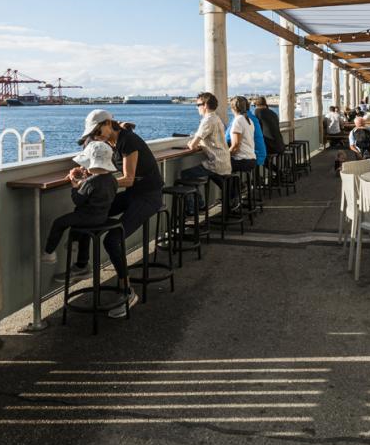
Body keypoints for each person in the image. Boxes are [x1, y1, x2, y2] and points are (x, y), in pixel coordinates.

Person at [79, 108, 165, 315]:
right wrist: (84, 170)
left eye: (97, 132)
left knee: (112, 240)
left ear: (109, 124)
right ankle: (81, 265)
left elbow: (128, 178)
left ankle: (127, 291)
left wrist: (95, 183)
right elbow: (93, 159)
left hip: (149, 195)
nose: (96, 137)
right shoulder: (108, 142)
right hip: (133, 194)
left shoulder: (128, 141)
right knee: (88, 212)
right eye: (93, 134)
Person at [41, 141, 135, 317]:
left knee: (60, 222)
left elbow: (78, 200)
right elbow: (97, 191)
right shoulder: (112, 180)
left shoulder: (91, 182)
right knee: (77, 224)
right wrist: (84, 180)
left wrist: (74, 184)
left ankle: (49, 253)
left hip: (87, 218)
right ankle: (78, 253)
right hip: (101, 218)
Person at [181, 92, 231, 213]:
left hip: (216, 163)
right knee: (223, 185)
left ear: (205, 105)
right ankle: (203, 204)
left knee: (186, 175)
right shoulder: (216, 118)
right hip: (225, 161)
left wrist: (190, 143)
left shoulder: (207, 120)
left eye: (198, 104)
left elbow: (192, 146)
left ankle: (195, 208)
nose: (196, 107)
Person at [227, 95, 258, 173]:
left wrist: (224, 155)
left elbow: (235, 146)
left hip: (242, 160)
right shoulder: (249, 120)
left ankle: (234, 184)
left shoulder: (238, 120)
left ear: (233, 108)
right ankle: (235, 184)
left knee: (215, 167)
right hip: (251, 159)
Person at [244, 98, 267, 167]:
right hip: (275, 144)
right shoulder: (272, 113)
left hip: (260, 151)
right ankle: (279, 172)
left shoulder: (257, 112)